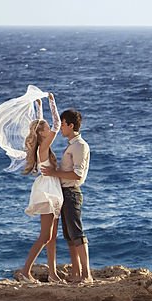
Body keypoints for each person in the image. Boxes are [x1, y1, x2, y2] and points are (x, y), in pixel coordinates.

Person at [14, 93, 64, 283]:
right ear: (42, 133)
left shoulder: (41, 144)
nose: (50, 129)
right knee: (45, 236)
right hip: (48, 190)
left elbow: (40, 125)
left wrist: (39, 106)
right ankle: (25, 272)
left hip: (52, 187)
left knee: (51, 237)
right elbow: (57, 125)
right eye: (46, 128)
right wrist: (52, 102)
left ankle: (53, 273)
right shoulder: (43, 146)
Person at [42, 108, 92, 283]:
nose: (61, 128)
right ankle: (76, 274)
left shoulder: (79, 146)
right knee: (69, 236)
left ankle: (86, 274)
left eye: (63, 124)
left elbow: (77, 175)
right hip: (64, 193)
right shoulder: (72, 145)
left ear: (71, 126)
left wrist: (53, 173)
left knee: (77, 234)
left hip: (71, 193)